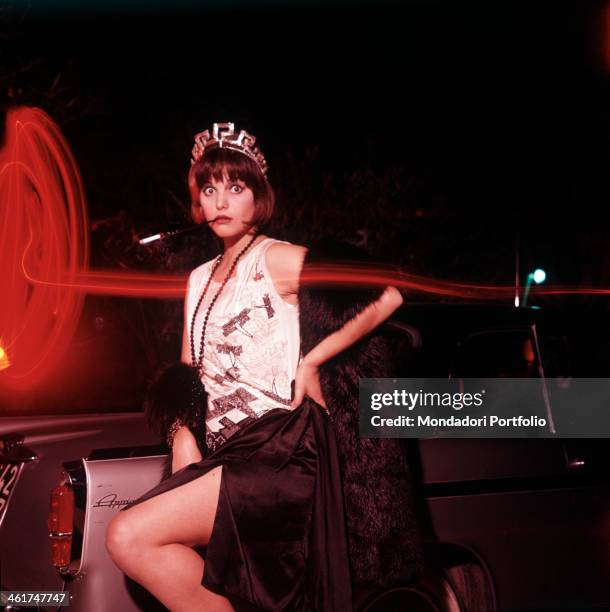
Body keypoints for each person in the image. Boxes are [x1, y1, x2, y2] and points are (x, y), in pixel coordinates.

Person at [105, 122, 408, 611]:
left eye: (236, 187)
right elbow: (189, 368)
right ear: (198, 202)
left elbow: (387, 292)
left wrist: (312, 361)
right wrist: (181, 433)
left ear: (258, 198)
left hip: (282, 450)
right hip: (228, 454)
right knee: (143, 546)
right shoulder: (198, 278)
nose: (221, 201)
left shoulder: (276, 257)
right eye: (209, 189)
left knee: (128, 534)